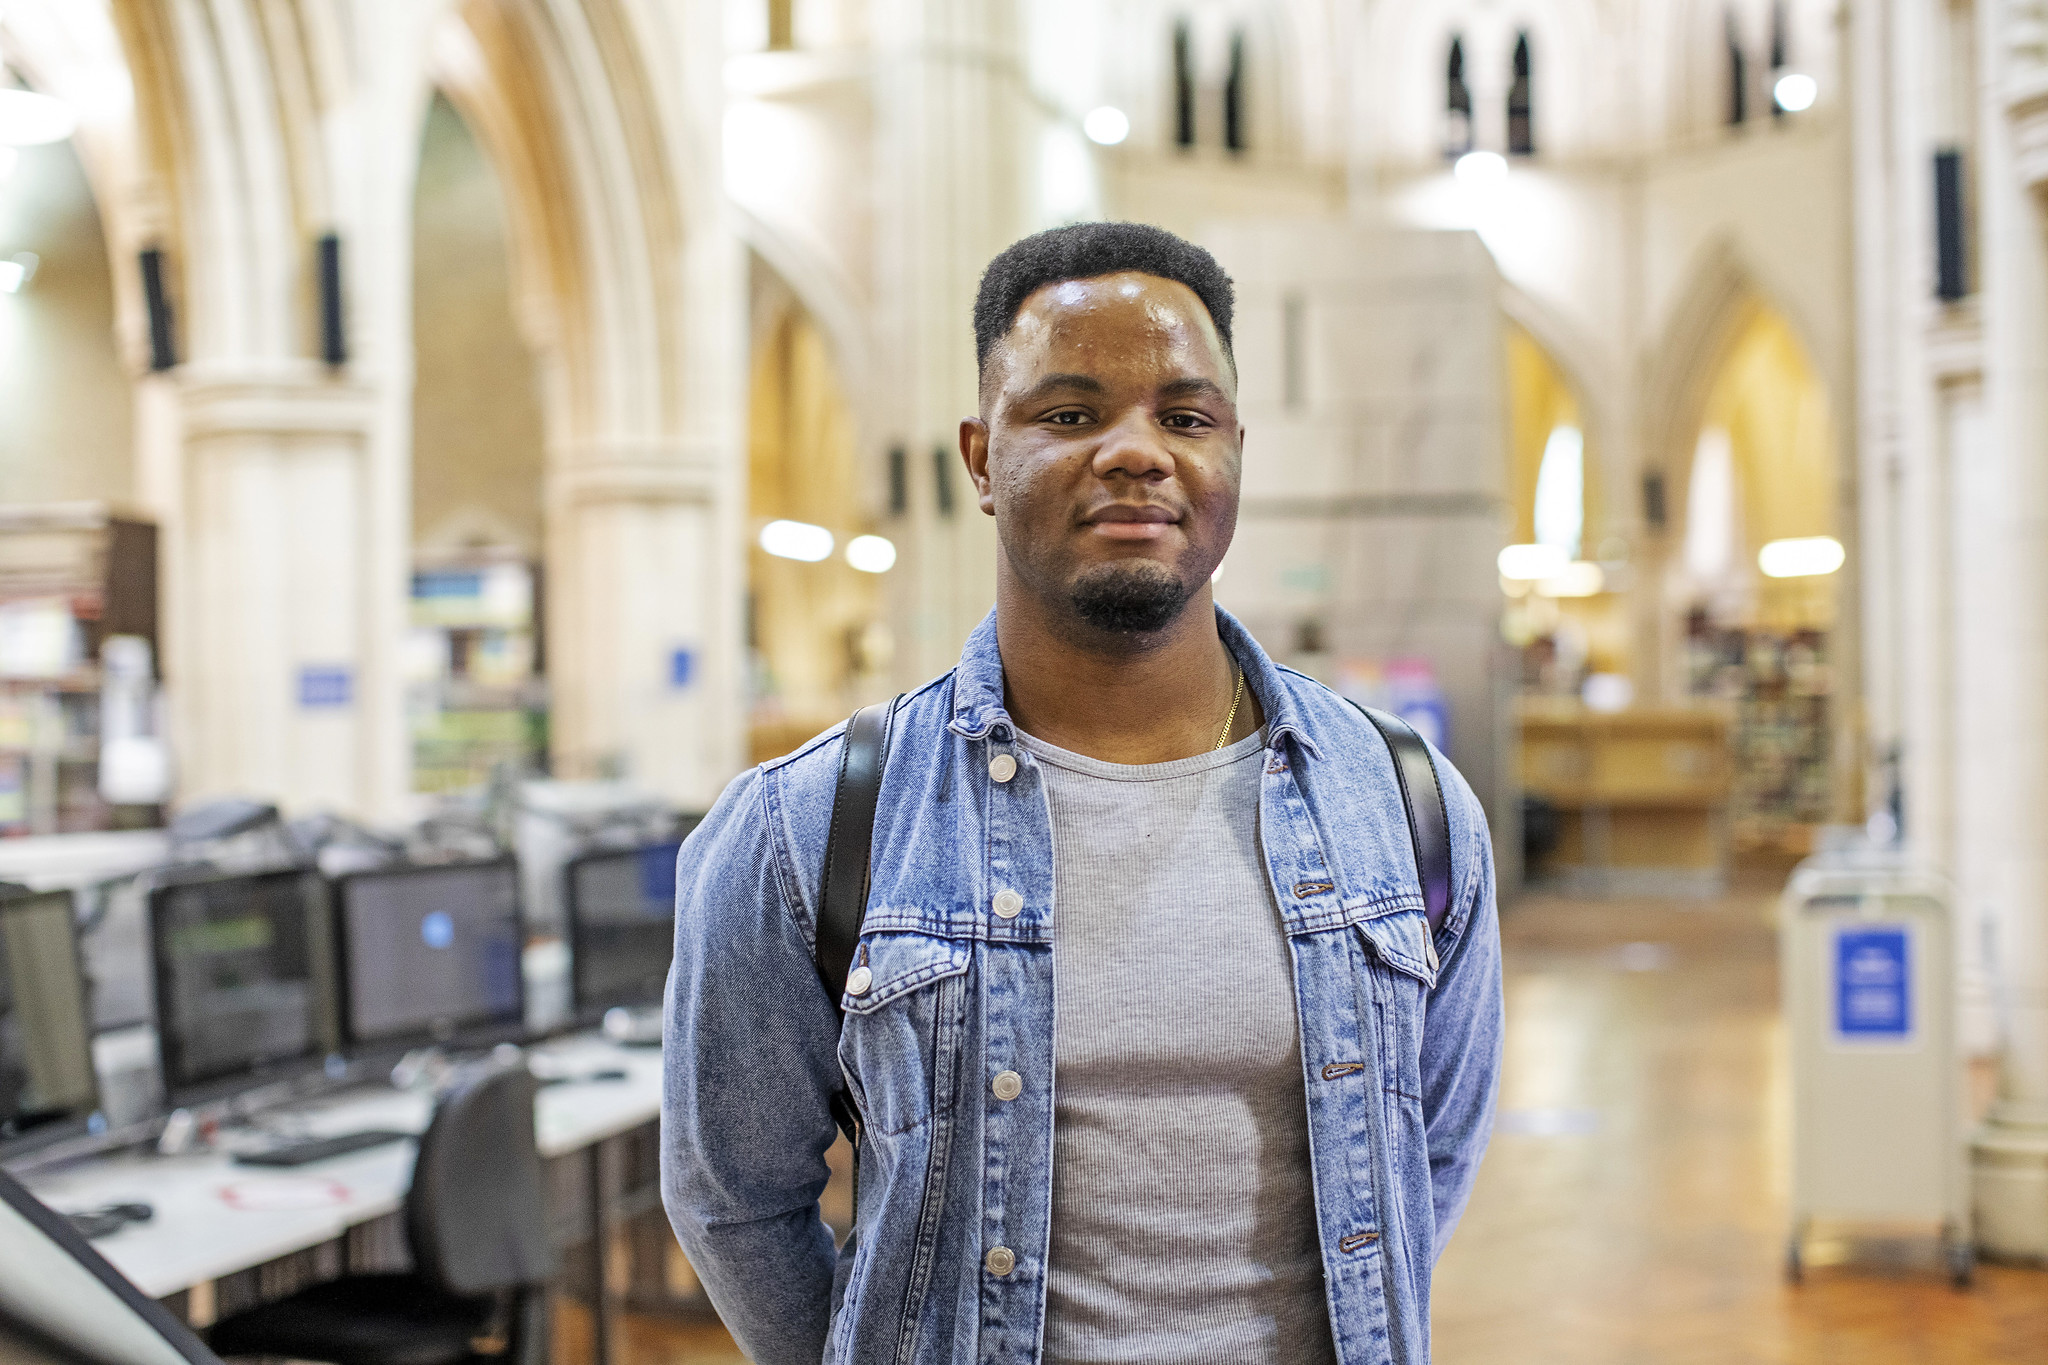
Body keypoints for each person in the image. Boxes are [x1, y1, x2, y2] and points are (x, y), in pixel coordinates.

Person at [662, 221, 1503, 1365]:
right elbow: (735, 1199)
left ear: (1233, 454)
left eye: (1184, 417)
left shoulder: (1405, 806)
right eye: (1068, 415)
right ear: (977, 458)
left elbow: (1424, 1161)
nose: (1135, 452)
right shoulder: (804, 828)